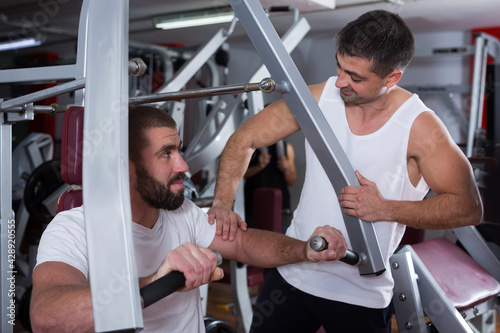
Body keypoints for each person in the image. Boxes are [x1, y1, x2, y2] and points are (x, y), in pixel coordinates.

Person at [207, 9, 483, 333]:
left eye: (355, 76)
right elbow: (244, 138)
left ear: (392, 78)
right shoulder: (319, 98)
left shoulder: (420, 129)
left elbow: (468, 207)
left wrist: (385, 209)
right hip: (293, 272)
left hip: (361, 293)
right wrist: (222, 202)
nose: (340, 81)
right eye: (339, 66)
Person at [29, 105, 347, 333]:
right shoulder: (73, 229)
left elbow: (246, 244)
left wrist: (304, 250)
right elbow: (47, 317)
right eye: (167, 153)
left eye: (179, 150)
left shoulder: (183, 212)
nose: (183, 164)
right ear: (126, 167)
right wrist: (156, 283)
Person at [244, 140, 297, 232]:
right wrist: (259, 166)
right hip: (254, 209)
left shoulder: (287, 148)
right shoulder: (250, 146)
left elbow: (292, 181)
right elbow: (242, 175)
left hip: (281, 210)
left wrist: (285, 169)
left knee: (282, 243)